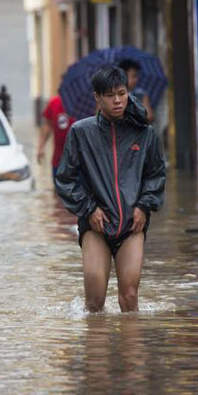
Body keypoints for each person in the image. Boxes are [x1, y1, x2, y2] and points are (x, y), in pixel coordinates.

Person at [55, 66, 165, 313]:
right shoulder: (81, 132)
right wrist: (89, 208)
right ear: (97, 97)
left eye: (122, 93)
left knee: (129, 297)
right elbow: (65, 179)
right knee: (94, 302)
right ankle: (97, 347)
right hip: (96, 225)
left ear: (128, 92)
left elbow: (156, 175)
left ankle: (131, 349)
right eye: (109, 95)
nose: (117, 100)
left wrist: (143, 206)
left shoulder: (145, 134)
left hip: (132, 224)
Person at [36, 94, 76, 184]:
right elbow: (48, 125)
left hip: (82, 162)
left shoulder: (87, 103)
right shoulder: (55, 102)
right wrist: (41, 147)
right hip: (59, 161)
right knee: (58, 193)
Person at [117, 58, 154, 123]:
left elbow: (149, 116)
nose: (136, 80)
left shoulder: (141, 95)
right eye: (133, 76)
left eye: (136, 76)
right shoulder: (109, 94)